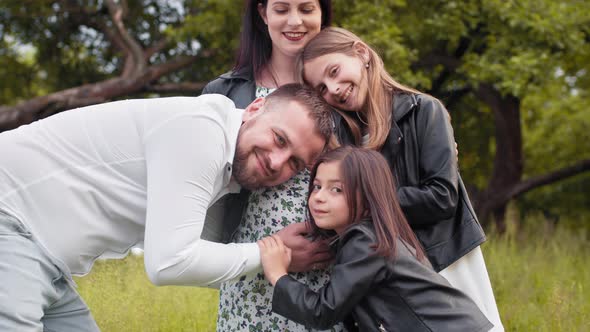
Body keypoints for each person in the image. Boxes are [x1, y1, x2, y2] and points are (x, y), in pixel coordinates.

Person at [0, 83, 333, 331]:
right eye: (279, 139)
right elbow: (169, 262)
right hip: (11, 224)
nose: (277, 162)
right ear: (255, 109)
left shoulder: (225, 167)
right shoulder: (201, 132)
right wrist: (270, 253)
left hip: (46, 261)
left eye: (295, 163)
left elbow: (201, 263)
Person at [296, 27, 504, 331]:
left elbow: (443, 196)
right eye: (322, 89)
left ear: (361, 54)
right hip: (386, 275)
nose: (333, 88)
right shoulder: (342, 140)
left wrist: (365, 197)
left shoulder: (423, 111)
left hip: (443, 257)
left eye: (335, 71)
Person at [202, 1, 341, 331]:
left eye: (307, 9)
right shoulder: (224, 92)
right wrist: (268, 254)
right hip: (248, 281)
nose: (295, 21)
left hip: (332, 282)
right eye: (282, 9)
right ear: (263, 13)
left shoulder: (340, 91)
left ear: (323, 14)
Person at [258, 146, 493, 331]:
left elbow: (323, 311)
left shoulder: (365, 241)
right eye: (317, 186)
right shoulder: (372, 236)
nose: (319, 197)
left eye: (336, 190)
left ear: (368, 197)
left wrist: (279, 275)